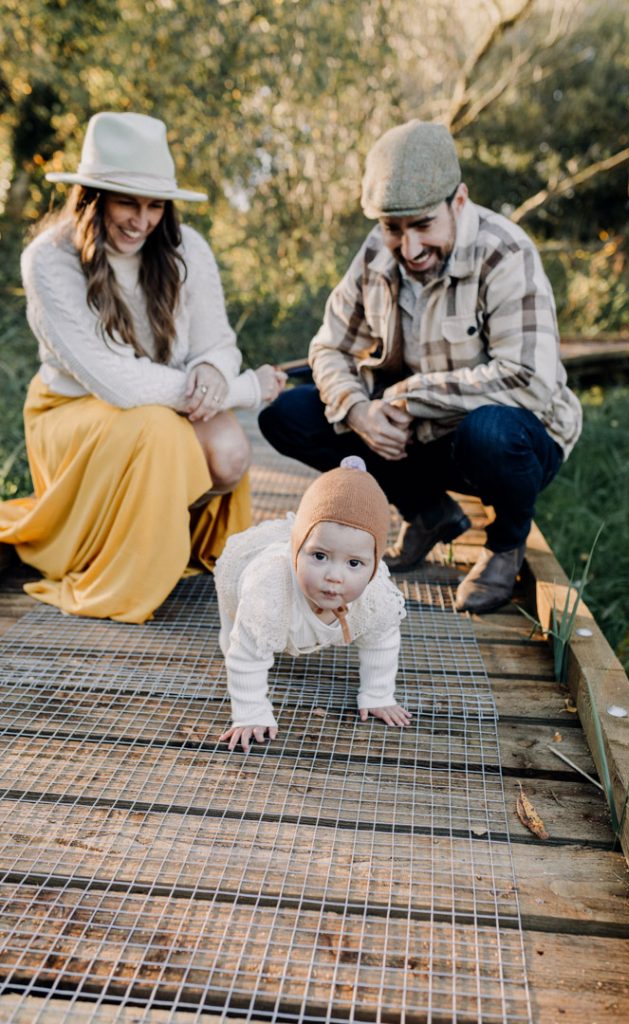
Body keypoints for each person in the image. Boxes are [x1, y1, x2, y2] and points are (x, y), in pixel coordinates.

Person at [259, 119, 582, 613]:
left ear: (458, 201)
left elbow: (529, 379)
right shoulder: (376, 252)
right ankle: (427, 512)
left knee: (491, 430)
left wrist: (409, 397)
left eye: (423, 225)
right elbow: (328, 349)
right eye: (393, 229)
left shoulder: (506, 251)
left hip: (508, 440)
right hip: (410, 434)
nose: (408, 249)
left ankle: (505, 545)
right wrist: (359, 412)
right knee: (287, 414)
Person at [0, 111, 286, 623]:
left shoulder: (186, 248)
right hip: (74, 409)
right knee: (161, 432)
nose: (142, 219)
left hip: (166, 397)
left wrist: (215, 373)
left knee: (228, 453)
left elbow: (218, 341)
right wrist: (245, 390)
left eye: (155, 205)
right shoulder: (50, 259)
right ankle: (127, 564)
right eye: (127, 202)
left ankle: (155, 535)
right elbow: (118, 383)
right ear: (92, 197)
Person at [215, 457, 410, 752]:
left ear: (374, 565)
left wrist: (378, 693)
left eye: (354, 563)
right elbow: (246, 657)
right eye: (319, 556)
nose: (333, 576)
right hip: (246, 579)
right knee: (240, 642)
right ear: (296, 549)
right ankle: (238, 643)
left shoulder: (374, 594)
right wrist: (251, 713)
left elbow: (382, 640)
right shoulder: (267, 587)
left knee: (377, 627)